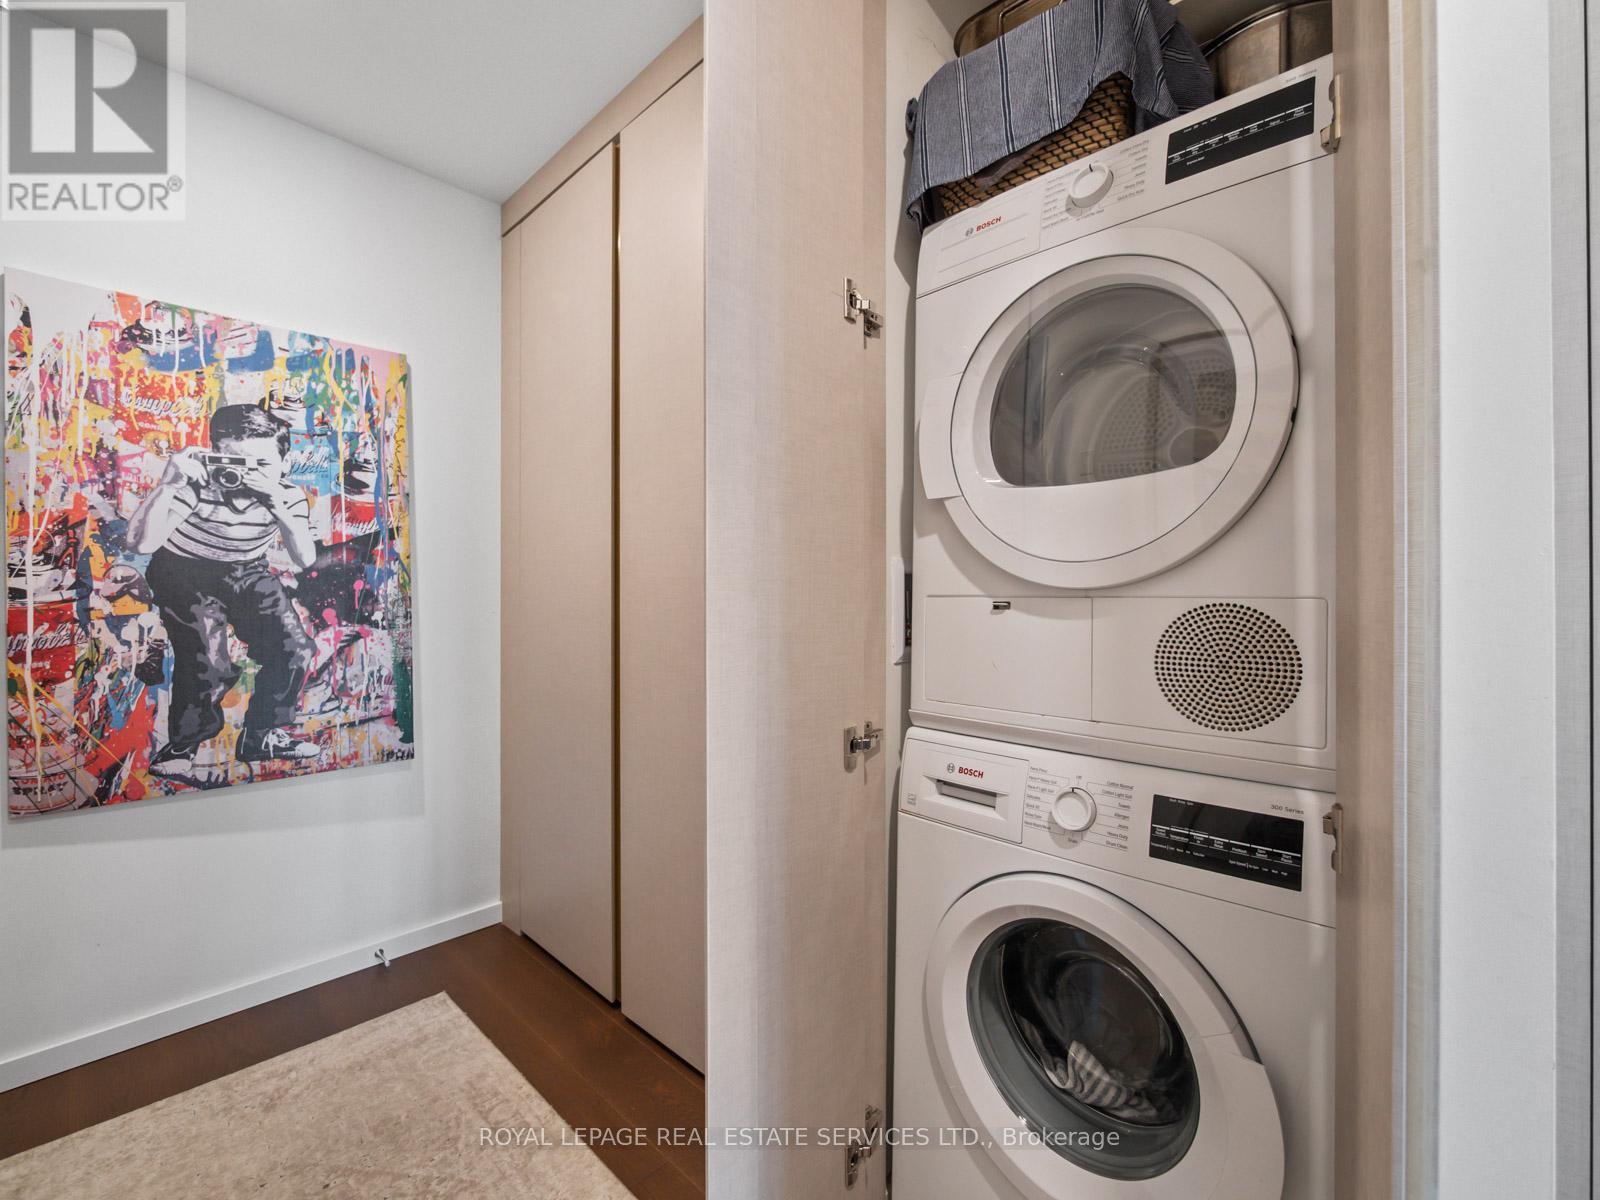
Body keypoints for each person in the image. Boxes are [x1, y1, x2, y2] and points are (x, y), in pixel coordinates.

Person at [127, 403, 321, 777]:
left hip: (246, 569)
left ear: (284, 463)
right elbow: (142, 544)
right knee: (207, 660)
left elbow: (305, 558)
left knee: (294, 647)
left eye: (260, 465)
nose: (246, 475)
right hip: (183, 570)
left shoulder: (287, 495)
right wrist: (169, 485)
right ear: (212, 455)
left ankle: (262, 735)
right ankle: (183, 744)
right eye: (234, 462)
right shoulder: (198, 486)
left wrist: (276, 503)